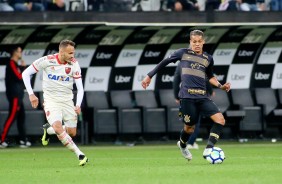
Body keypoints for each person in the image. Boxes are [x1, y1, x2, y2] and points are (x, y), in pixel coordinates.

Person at [141, 29, 231, 161]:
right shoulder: (182, 53)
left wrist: (220, 85)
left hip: (203, 97)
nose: (197, 44)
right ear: (190, 41)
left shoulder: (208, 58)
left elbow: (210, 76)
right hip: (187, 98)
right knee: (189, 128)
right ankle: (183, 145)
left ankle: (209, 149)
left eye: (199, 41)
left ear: (203, 42)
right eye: (194, 41)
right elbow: (164, 62)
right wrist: (149, 76)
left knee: (220, 120)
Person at [22, 40, 88, 166]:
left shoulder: (74, 64)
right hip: (51, 101)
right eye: (70, 53)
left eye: (73, 53)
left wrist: (78, 104)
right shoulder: (47, 61)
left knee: (72, 132)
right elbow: (25, 74)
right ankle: (79, 154)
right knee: (58, 127)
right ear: (61, 52)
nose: (72, 56)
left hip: (68, 101)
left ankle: (48, 129)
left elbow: (80, 88)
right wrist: (31, 94)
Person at [173, 61, 214, 149]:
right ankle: (190, 143)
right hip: (197, 96)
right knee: (195, 121)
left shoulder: (181, 63)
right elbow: (205, 78)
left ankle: (185, 142)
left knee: (188, 122)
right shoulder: (199, 63)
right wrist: (210, 91)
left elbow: (176, 80)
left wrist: (176, 96)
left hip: (185, 97)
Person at [0, 46, 31, 148]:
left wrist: (22, 68)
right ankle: (2, 140)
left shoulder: (16, 64)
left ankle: (23, 140)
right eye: (19, 51)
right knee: (12, 117)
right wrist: (23, 68)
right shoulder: (11, 63)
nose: (20, 53)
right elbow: (19, 76)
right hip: (14, 96)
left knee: (21, 117)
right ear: (14, 53)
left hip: (19, 95)